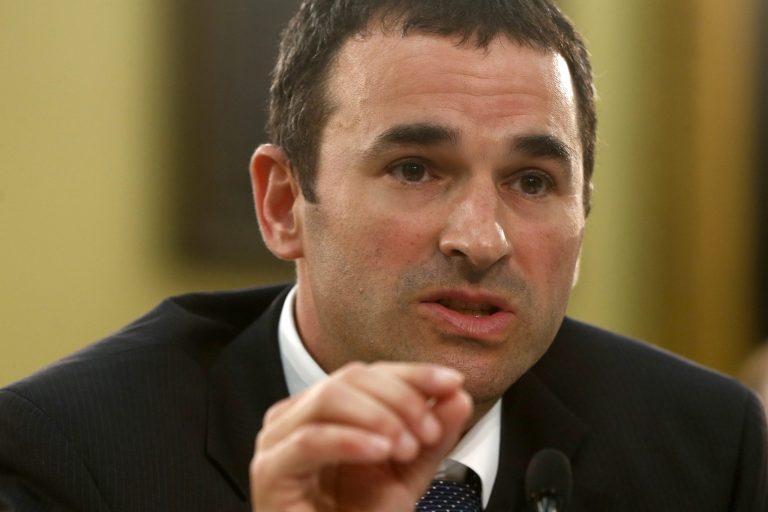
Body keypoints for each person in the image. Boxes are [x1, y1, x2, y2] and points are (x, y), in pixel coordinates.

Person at [1, 0, 766, 510]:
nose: (481, 238)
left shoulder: (704, 447)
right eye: (414, 169)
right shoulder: (74, 457)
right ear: (282, 204)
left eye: (532, 181)